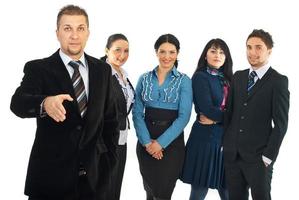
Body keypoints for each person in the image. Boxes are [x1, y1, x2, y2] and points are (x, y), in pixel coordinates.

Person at [10, 5, 118, 200]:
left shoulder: (102, 70)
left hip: (94, 181)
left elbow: (110, 120)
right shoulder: (39, 68)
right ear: (57, 33)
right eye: (67, 28)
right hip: (51, 180)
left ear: (88, 33)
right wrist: (45, 103)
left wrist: (109, 162)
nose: (74, 35)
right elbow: (17, 103)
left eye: (80, 28)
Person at [223, 29, 289, 200]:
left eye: (258, 47)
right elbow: (229, 114)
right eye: (249, 47)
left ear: (269, 51)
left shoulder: (278, 81)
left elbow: (280, 125)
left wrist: (268, 157)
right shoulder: (238, 77)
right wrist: (226, 144)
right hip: (233, 155)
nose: (252, 52)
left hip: (259, 159)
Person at [132, 33, 193, 200]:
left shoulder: (184, 81)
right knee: (150, 193)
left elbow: (184, 117)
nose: (167, 57)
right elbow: (137, 113)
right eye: (162, 51)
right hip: (146, 141)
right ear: (156, 52)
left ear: (177, 53)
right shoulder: (144, 78)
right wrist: (147, 142)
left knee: (163, 194)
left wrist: (160, 143)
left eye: (172, 52)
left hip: (172, 144)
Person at [181, 39, 232, 200]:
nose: (218, 55)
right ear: (205, 55)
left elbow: (238, 110)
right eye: (213, 51)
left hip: (226, 140)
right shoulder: (200, 77)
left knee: (227, 189)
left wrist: (219, 119)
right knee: (199, 190)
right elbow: (207, 110)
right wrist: (231, 118)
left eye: (222, 52)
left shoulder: (229, 79)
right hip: (205, 140)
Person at [100, 33, 135, 200]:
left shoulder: (124, 75)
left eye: (126, 51)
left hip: (121, 139)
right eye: (117, 50)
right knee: (102, 189)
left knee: (115, 188)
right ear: (107, 50)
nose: (122, 55)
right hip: (103, 142)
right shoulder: (100, 73)